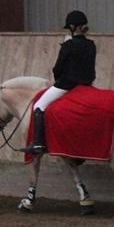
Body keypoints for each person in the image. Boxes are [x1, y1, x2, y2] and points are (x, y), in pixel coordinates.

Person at [23, 9, 96, 155]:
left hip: (67, 85)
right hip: (87, 85)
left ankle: (38, 144)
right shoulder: (91, 45)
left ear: (72, 27)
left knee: (39, 105)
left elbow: (58, 68)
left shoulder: (69, 45)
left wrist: (58, 80)